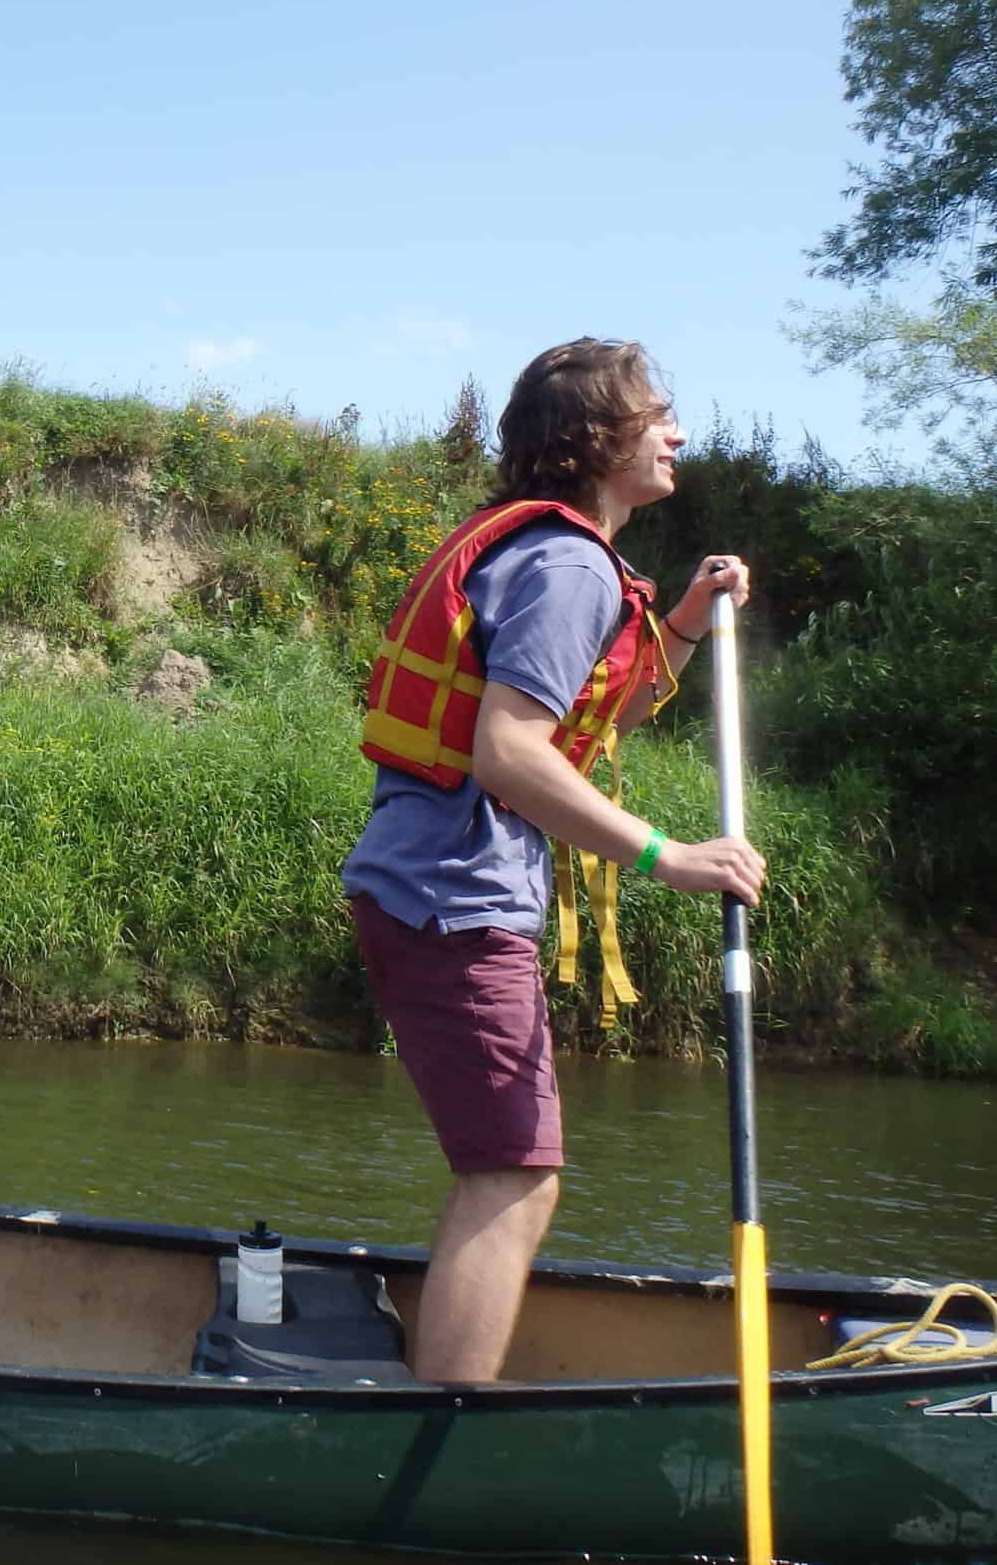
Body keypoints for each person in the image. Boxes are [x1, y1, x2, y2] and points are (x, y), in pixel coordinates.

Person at [343, 339, 766, 1383]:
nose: (675, 432)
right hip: (452, 901)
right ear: (598, 437)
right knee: (514, 1175)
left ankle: (445, 1399)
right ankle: (446, 1422)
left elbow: (589, 713)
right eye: (657, 413)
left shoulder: (574, 561)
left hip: (442, 893)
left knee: (511, 1167)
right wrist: (666, 855)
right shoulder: (567, 562)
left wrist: (676, 626)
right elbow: (509, 751)